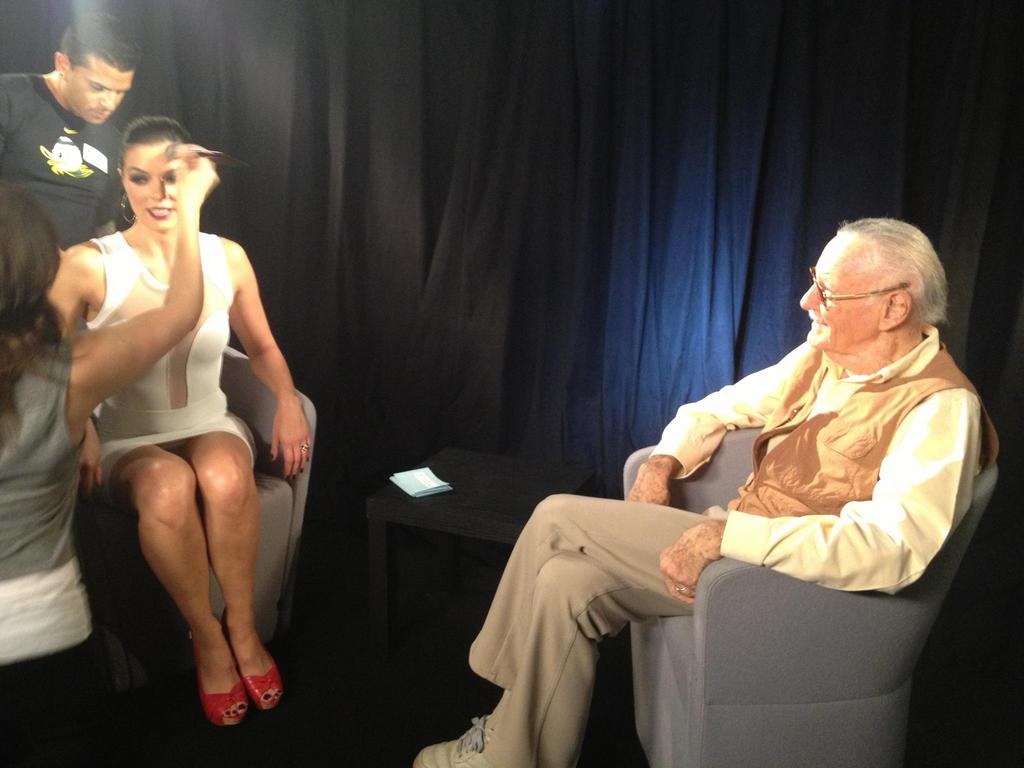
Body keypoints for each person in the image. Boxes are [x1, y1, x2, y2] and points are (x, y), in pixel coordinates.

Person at [413, 218, 999, 768]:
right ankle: (511, 753)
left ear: (894, 306)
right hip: (739, 544)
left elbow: (894, 550)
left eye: (827, 291)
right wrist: (661, 464)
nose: (806, 302)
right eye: (812, 282)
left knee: (557, 516)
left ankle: (496, 687)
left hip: (787, 583)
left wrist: (725, 535)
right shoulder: (823, 359)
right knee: (566, 580)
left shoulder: (941, 409)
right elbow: (714, 409)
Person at [50, 115, 312, 726]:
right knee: (168, 486)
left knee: (224, 476)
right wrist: (82, 427)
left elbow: (262, 347)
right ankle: (209, 639)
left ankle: (243, 627)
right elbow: (50, 365)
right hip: (127, 438)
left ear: (193, 177)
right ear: (122, 180)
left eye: (171, 177)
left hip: (208, 420)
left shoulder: (227, 257)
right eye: (140, 178)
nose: (158, 193)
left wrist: (288, 400)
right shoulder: (88, 264)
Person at [0, 148, 214, 765]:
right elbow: (181, 311)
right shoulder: (72, 372)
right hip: (45, 634)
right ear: (40, 267)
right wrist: (191, 203)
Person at [0, 13, 139, 248]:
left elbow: (104, 224)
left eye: (120, 92)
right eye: (98, 87)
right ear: (63, 64)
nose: (109, 103)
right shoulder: (9, 98)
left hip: (74, 268)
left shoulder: (112, 141)